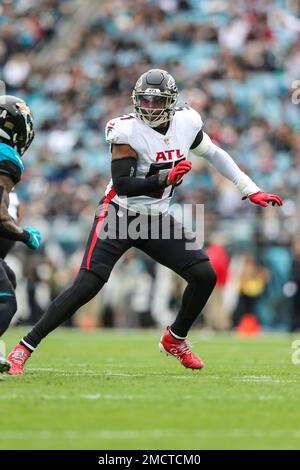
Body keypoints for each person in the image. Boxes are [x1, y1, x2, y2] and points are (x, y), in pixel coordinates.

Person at [7, 69, 282, 374]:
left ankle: (175, 338)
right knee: (88, 284)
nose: (149, 106)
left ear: (171, 102)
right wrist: (164, 177)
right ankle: (24, 348)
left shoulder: (186, 123)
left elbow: (215, 154)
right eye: (145, 100)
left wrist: (249, 189)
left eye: (157, 100)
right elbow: (123, 184)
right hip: (119, 213)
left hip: (156, 217)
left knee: (204, 275)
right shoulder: (127, 131)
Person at [0, 95, 42, 374]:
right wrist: (24, 235)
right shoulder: (6, 158)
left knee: (9, 277)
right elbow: (0, 217)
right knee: (6, 302)